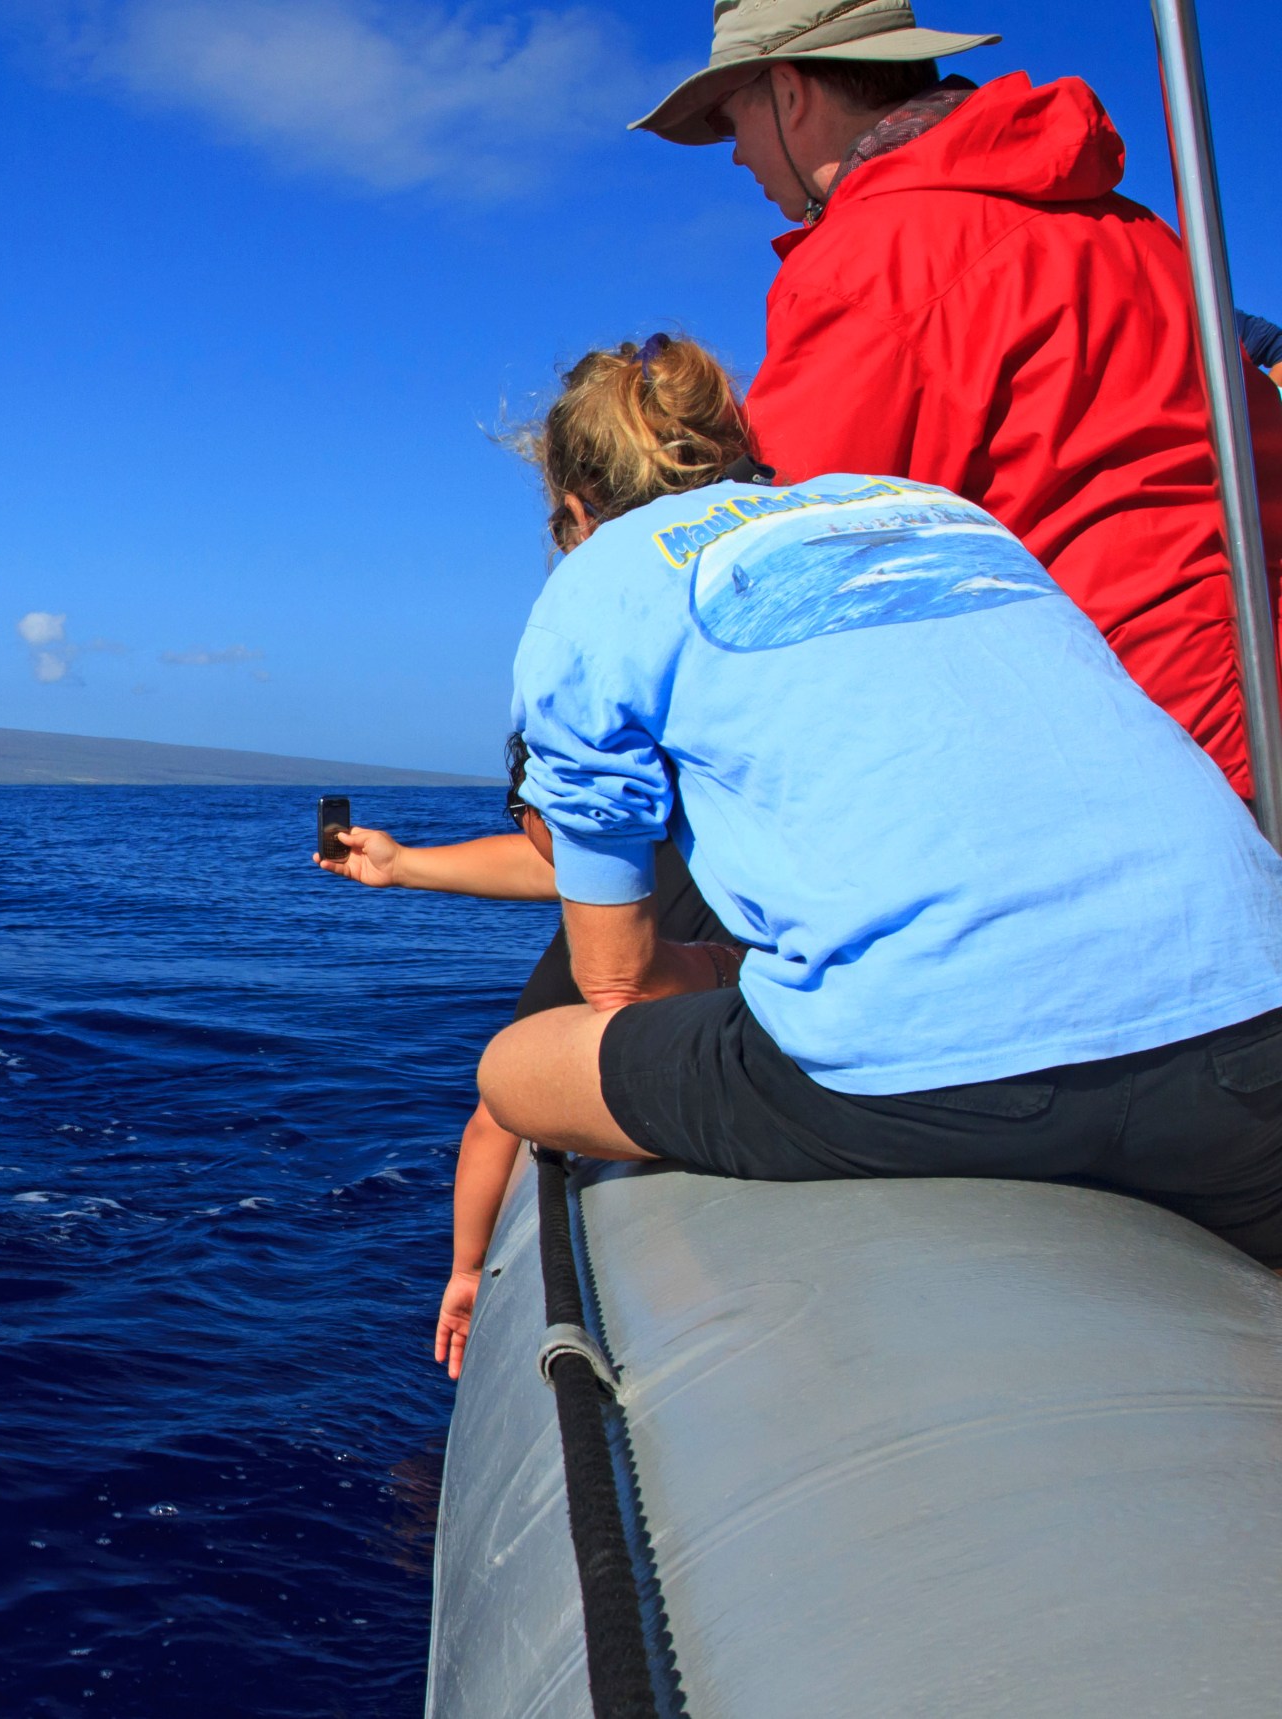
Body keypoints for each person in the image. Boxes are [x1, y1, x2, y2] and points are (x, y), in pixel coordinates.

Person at [470, 334, 1282, 1296]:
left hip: (926, 1072)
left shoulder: (596, 582)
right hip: (1251, 1017)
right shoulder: (939, 512)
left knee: (513, 1069)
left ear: (574, 512)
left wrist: (734, 965)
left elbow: (622, 984)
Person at [631, 0, 1282, 800]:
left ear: (790, 93)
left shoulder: (868, 259)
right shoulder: (1125, 223)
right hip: (1255, 694)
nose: (737, 158)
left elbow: (789, 570)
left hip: (1140, 750)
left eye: (734, 123)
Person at [318, 738, 741, 1376]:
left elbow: (496, 1117)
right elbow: (547, 866)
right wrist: (401, 863)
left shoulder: (618, 930)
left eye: (526, 811)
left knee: (508, 1082)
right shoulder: (698, 843)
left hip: (693, 1105)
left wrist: (466, 1272)